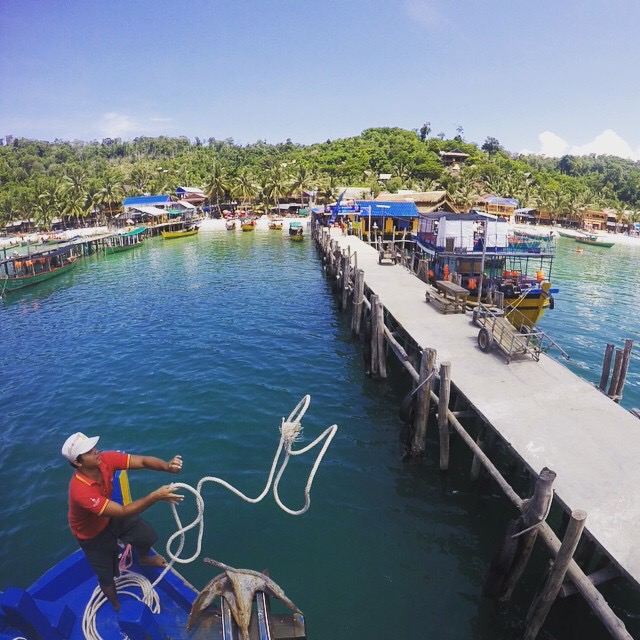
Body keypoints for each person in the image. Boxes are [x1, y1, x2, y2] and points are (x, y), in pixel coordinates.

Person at [61, 431, 184, 611]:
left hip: (109, 516)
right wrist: (155, 496)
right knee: (107, 576)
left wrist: (166, 465)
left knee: (146, 535)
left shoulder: (104, 459)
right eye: (88, 451)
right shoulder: (81, 491)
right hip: (92, 535)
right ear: (77, 463)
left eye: (93, 447)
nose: (96, 451)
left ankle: (143, 558)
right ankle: (116, 605)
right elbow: (122, 511)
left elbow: (142, 461)